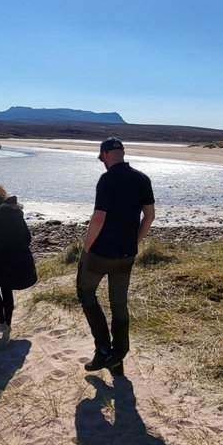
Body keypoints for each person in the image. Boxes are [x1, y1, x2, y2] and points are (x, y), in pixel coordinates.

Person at [77, 137, 155, 377]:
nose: (102, 161)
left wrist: (86, 249)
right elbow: (149, 216)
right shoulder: (142, 179)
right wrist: (135, 241)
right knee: (119, 304)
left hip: (101, 253)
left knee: (85, 292)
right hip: (126, 254)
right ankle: (118, 356)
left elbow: (98, 218)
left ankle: (103, 349)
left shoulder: (107, 179)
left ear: (105, 154)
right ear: (123, 152)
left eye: (101, 157)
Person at [0, 182, 37, 333]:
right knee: (6, 289)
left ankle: (1, 322)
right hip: (14, 257)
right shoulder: (14, 211)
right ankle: (8, 325)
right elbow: (27, 236)